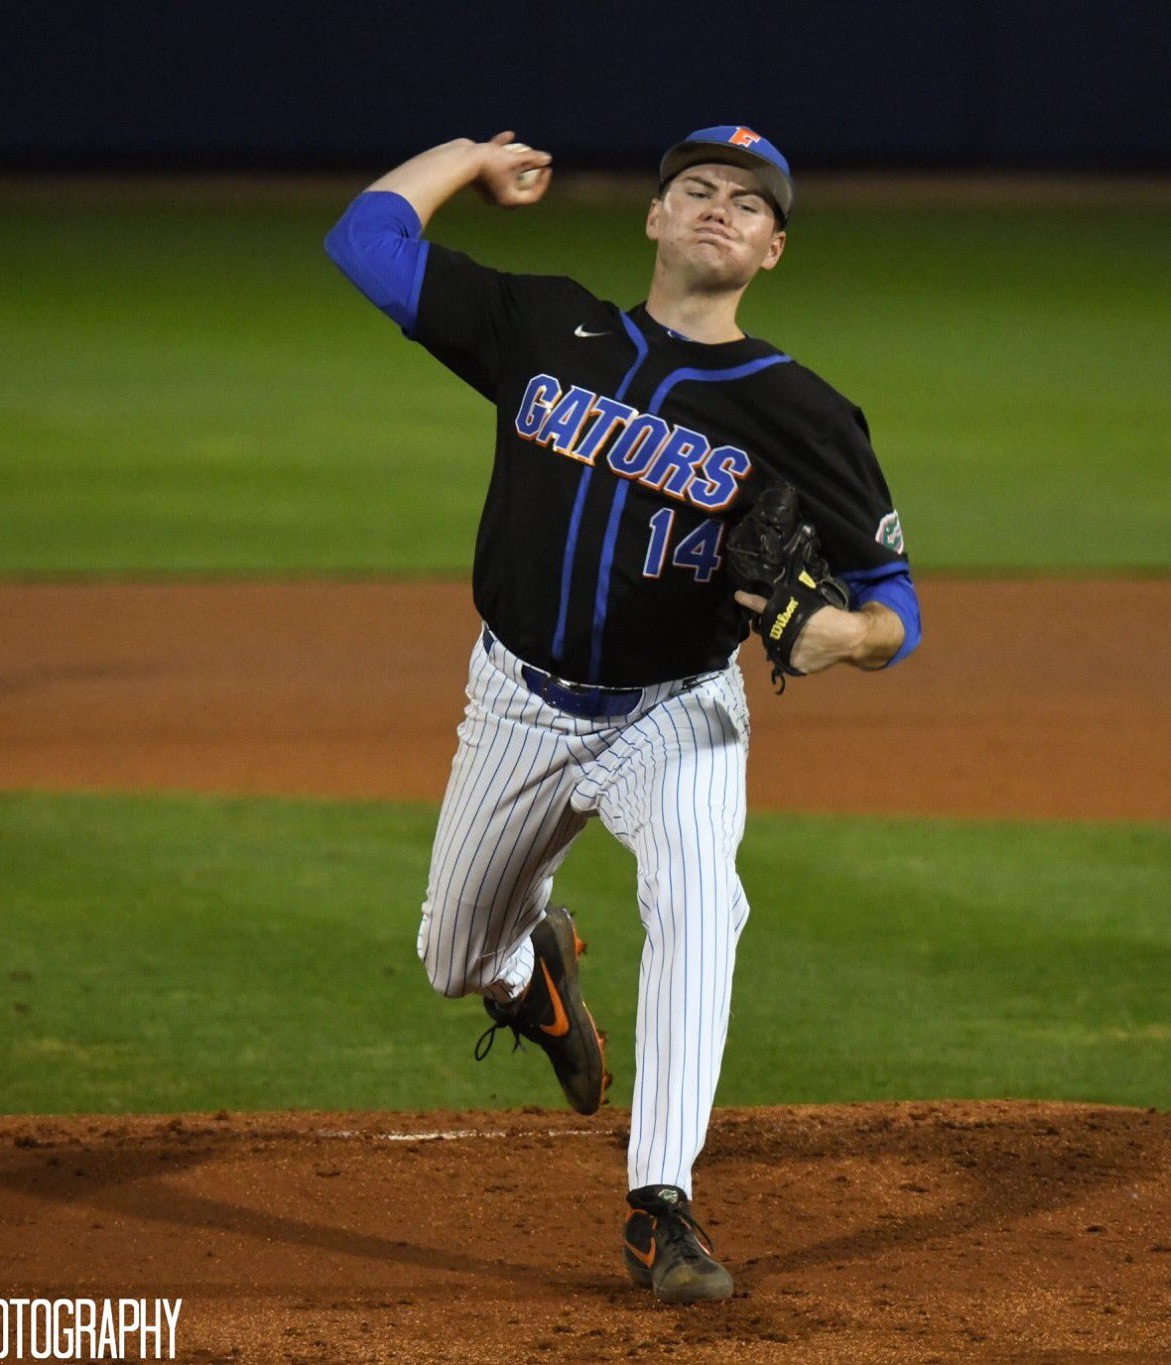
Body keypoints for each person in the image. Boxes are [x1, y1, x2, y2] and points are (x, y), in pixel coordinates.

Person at [324, 125, 921, 1304]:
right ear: (651, 218)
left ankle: (661, 1205)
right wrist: (466, 157)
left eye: (746, 205)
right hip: (516, 705)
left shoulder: (803, 413)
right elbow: (365, 239)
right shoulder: (543, 327)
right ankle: (528, 971)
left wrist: (841, 637)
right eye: (693, 189)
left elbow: (895, 604)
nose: (715, 209)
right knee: (450, 957)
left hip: (677, 714)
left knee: (703, 898)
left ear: (772, 252)